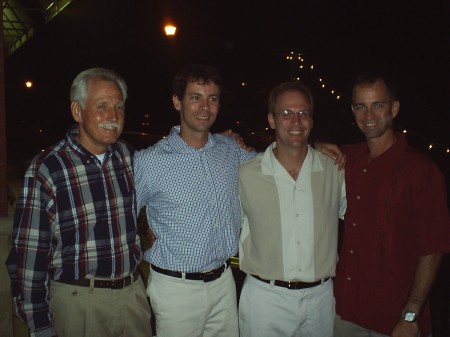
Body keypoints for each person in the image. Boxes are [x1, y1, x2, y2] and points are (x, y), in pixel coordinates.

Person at [6, 68, 152, 337]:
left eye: (119, 106)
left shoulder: (129, 157)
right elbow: (29, 257)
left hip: (132, 297)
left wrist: (218, 140)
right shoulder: (49, 169)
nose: (113, 116)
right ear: (77, 111)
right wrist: (40, 326)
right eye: (102, 106)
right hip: (78, 303)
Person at [321, 72, 450, 337]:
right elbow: (298, 149)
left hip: (395, 319)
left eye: (378, 105)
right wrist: (316, 143)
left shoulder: (420, 170)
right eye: (361, 106)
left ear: (394, 108)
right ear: (353, 110)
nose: (368, 115)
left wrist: (411, 314)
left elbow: (433, 249)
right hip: (346, 311)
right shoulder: (349, 158)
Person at [134, 63, 256, 337]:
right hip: (176, 291)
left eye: (212, 99)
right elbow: (121, 215)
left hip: (224, 283)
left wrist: (316, 146)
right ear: (177, 101)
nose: (205, 107)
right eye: (195, 97)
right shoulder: (149, 161)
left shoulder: (231, 150)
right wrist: (141, 239)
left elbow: (275, 165)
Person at [238, 80, 346, 337]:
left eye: (303, 113)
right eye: (286, 113)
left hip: (320, 300)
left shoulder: (335, 170)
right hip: (265, 301)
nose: (295, 121)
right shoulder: (246, 173)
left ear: (312, 119)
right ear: (271, 120)